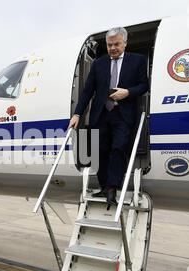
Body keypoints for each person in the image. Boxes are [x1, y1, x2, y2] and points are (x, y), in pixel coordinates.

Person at [69, 27, 149, 204]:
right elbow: (88, 91)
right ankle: (104, 186)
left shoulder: (137, 61)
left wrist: (127, 92)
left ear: (125, 43)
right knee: (100, 152)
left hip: (123, 114)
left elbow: (144, 85)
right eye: (109, 44)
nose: (113, 48)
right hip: (101, 113)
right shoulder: (99, 64)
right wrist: (77, 114)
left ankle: (112, 188)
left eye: (117, 44)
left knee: (118, 148)